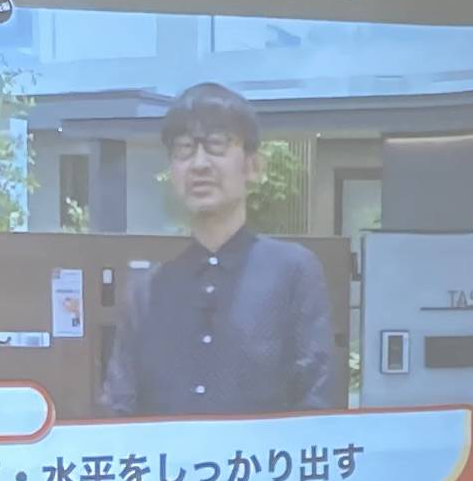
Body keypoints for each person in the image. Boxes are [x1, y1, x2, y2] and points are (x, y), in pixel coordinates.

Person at [92, 82, 339, 421]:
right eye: (183, 149)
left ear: (253, 166)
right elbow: (118, 411)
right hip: (169, 473)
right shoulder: (146, 293)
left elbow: (318, 402)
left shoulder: (293, 272)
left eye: (217, 145)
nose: (199, 164)